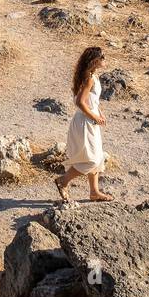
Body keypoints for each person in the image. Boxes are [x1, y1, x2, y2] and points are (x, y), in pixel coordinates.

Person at [54, 46, 113, 203]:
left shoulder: (93, 76)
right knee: (91, 160)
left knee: (97, 157)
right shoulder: (89, 79)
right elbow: (80, 102)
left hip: (90, 120)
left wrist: (99, 112)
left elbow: (91, 100)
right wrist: (94, 115)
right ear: (95, 61)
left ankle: (94, 192)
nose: (105, 59)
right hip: (85, 122)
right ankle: (63, 181)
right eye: (103, 57)